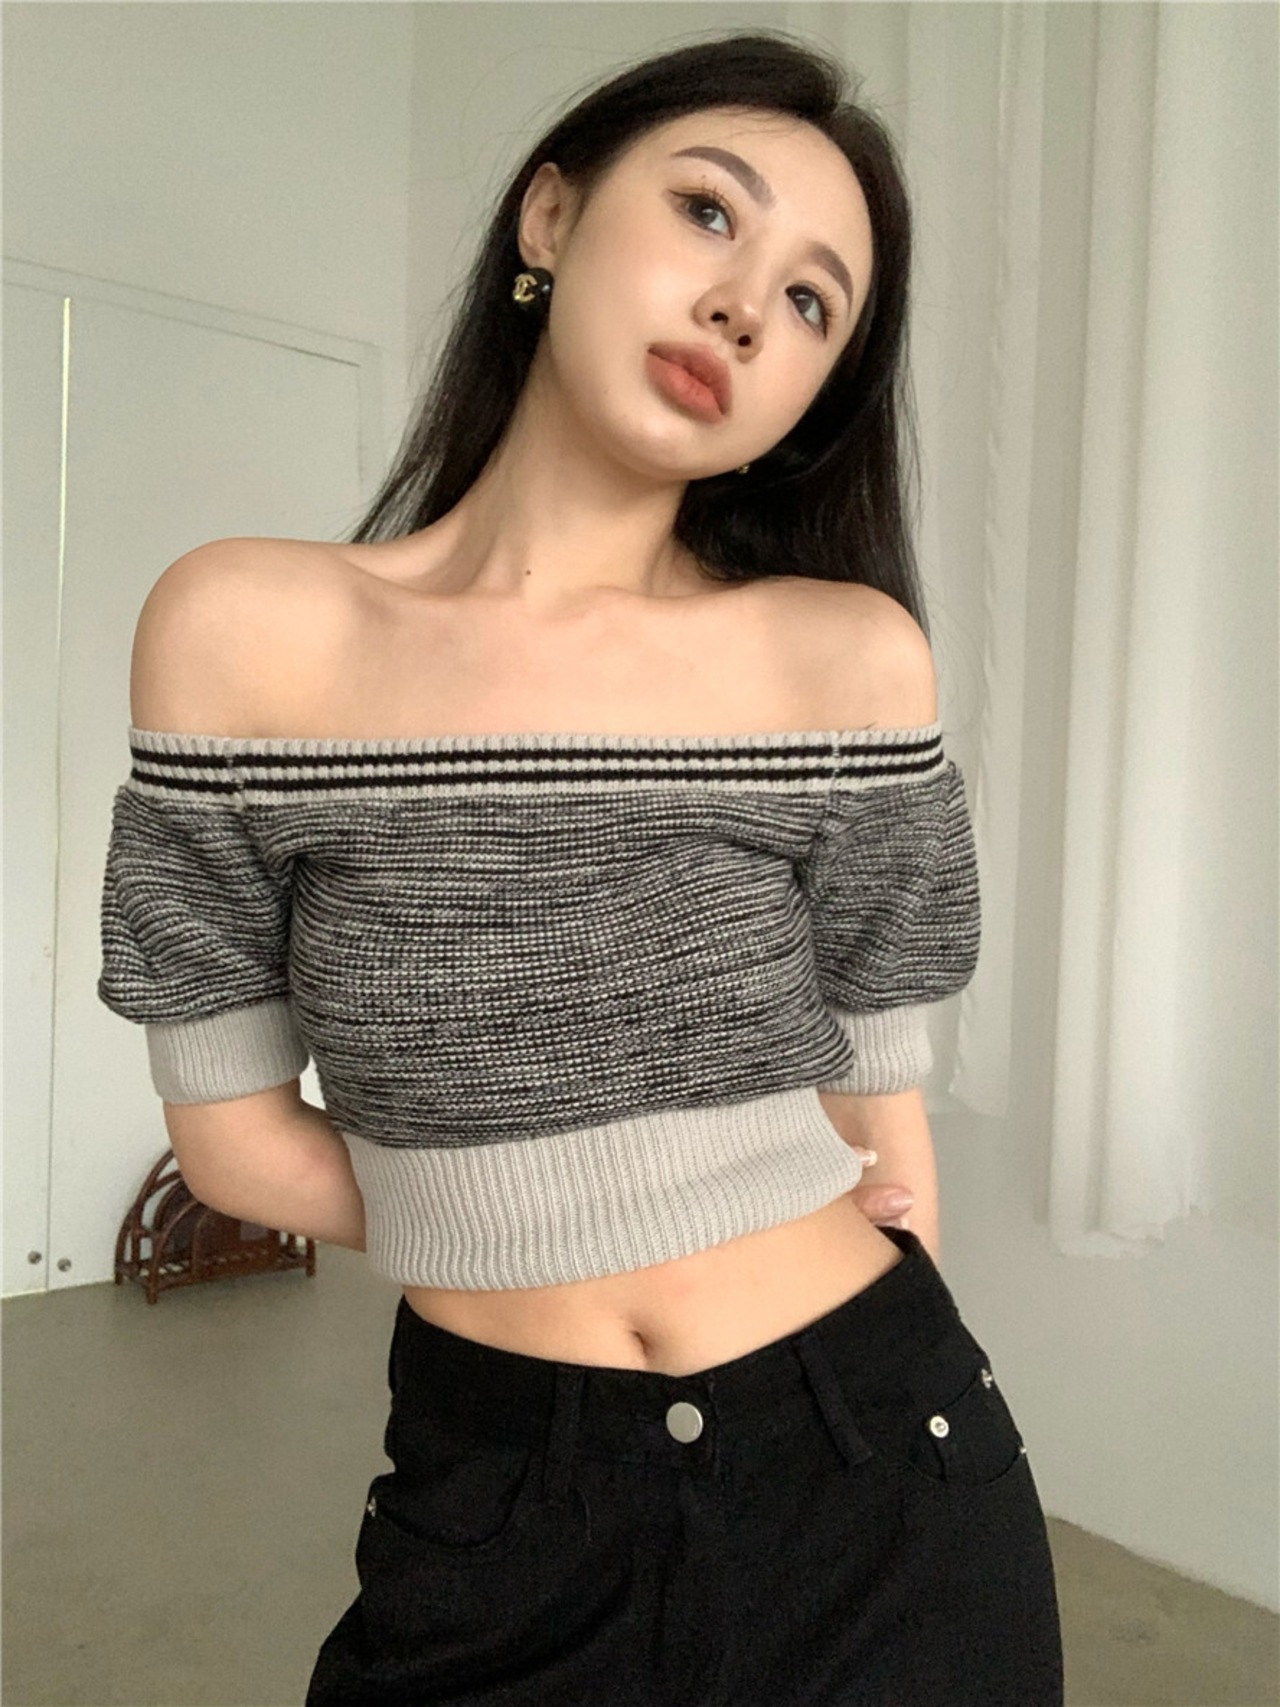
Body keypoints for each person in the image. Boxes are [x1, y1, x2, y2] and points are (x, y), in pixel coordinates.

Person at [97, 29, 1065, 1706]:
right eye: (708, 212)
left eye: (812, 302)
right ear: (548, 218)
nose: (745, 308)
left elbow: (882, 1119)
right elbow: (232, 1142)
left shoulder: (845, 657)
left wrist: (807, 1205)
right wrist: (506, 1199)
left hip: (878, 1467)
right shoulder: (245, 633)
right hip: (499, 1492)